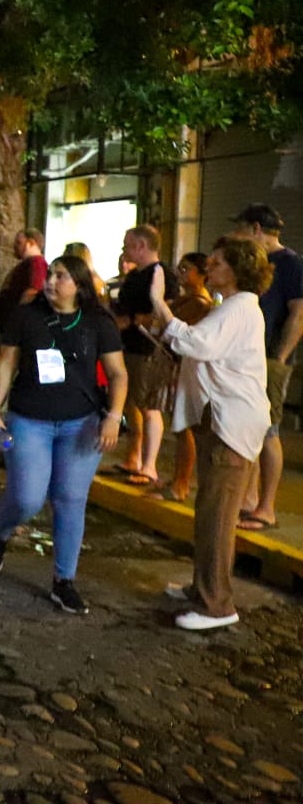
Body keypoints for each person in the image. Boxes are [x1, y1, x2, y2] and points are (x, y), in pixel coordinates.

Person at [0, 254, 128, 615]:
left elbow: (119, 374)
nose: (50, 281)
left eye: (60, 276)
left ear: (78, 285)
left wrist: (114, 416)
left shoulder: (98, 322)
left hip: (82, 424)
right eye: (50, 274)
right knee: (27, 498)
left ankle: (64, 581)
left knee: (70, 500)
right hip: (29, 421)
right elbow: (7, 363)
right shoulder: (24, 316)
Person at [148, 237, 270, 630]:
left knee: (217, 517)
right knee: (208, 513)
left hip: (231, 426)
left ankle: (216, 604)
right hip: (222, 422)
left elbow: (195, 343)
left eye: (216, 263)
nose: (209, 268)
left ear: (235, 271)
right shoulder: (232, 308)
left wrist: (160, 305)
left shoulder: (238, 309)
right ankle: (203, 589)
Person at [230, 203, 303, 532]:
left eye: (242, 228)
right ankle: (249, 499)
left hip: (270, 359)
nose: (237, 235)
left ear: (257, 229)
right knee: (250, 430)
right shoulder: (256, 263)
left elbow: (299, 314)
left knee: (268, 431)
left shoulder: (290, 264)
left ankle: (266, 507)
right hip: (247, 357)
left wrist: (280, 358)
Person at [110, 225, 178, 487]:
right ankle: (133, 457)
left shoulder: (162, 274)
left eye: (128, 245)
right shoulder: (135, 275)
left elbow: (168, 312)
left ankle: (149, 465)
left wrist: (136, 320)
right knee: (132, 404)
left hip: (149, 348)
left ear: (141, 245)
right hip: (129, 346)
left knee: (149, 406)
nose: (125, 250)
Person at [167, 253, 213, 502]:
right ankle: (178, 480)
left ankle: (181, 482)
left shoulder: (199, 303)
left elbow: (173, 327)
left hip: (188, 368)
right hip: (180, 366)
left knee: (185, 426)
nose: (180, 273)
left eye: (186, 269)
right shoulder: (187, 299)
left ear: (201, 273)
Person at [0, 229, 47, 336]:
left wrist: (17, 318)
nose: (15, 247)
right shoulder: (26, 264)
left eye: (19, 243)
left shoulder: (36, 263)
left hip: (15, 328)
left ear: (31, 243)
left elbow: (34, 290)